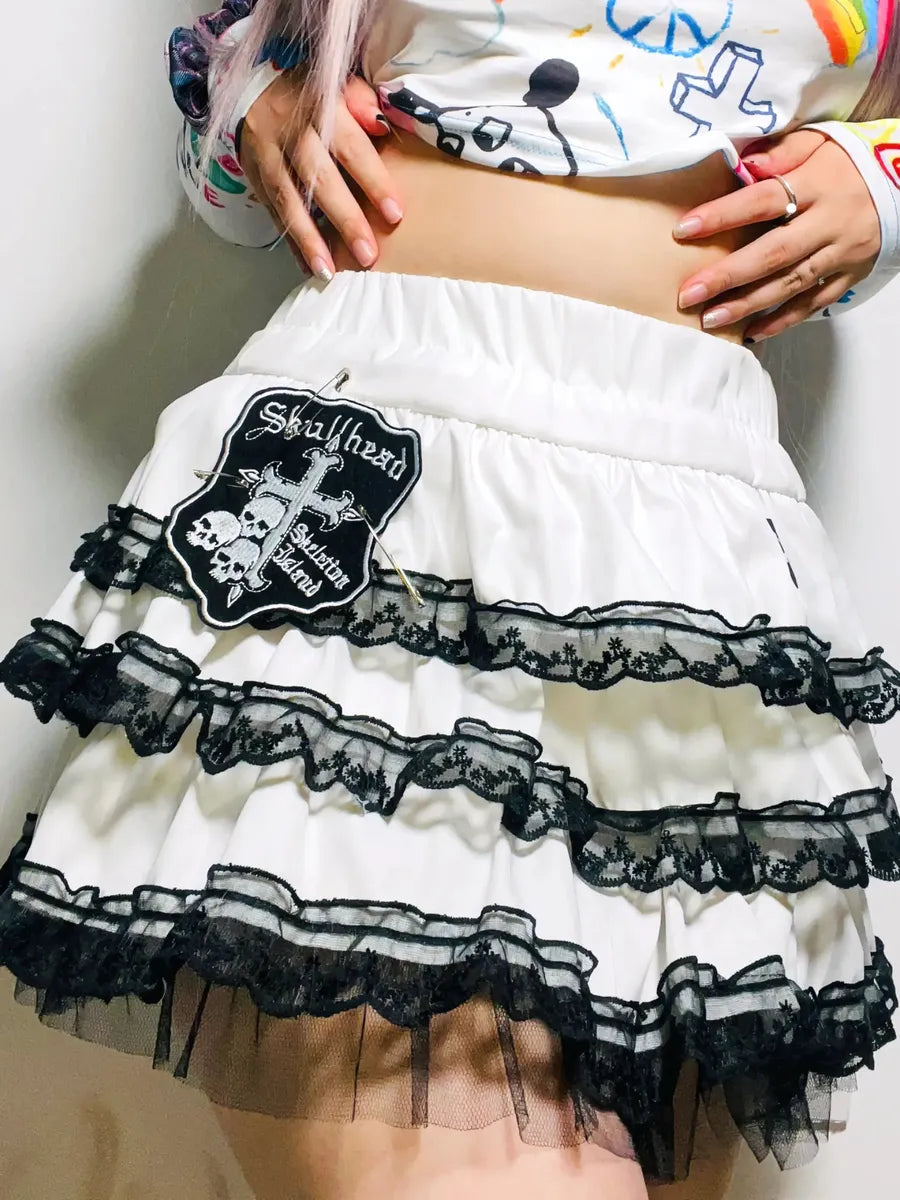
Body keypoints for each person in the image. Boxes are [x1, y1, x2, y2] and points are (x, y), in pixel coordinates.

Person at [2, 2, 900, 1197]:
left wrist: (884, 179)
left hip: (701, 556)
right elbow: (228, 123)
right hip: (388, 466)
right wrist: (255, 96)